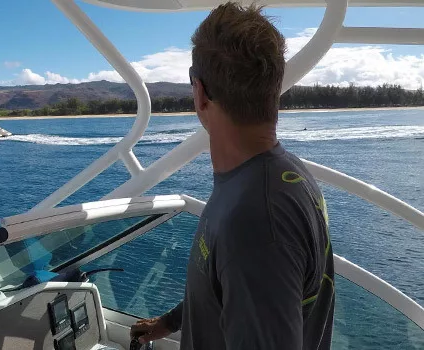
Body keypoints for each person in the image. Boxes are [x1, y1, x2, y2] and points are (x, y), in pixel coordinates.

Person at [129, 3, 334, 350]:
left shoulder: (256, 220)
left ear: (200, 93)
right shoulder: (275, 176)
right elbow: (230, 286)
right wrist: (171, 322)